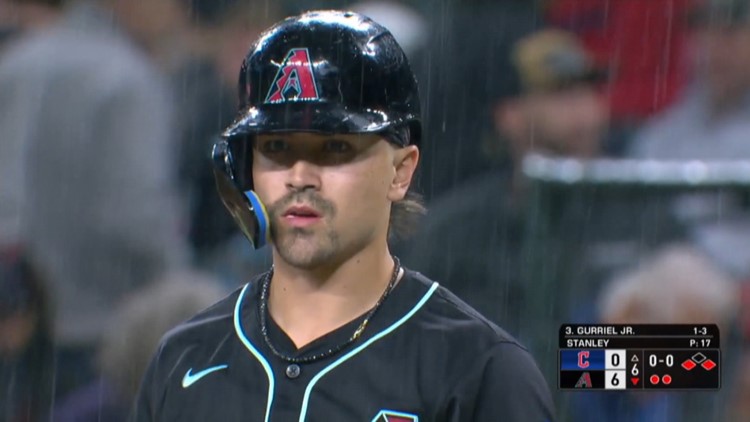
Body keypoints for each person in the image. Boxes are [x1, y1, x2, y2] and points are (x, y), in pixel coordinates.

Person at [132, 10, 555, 421]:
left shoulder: (480, 371)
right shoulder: (185, 357)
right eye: (276, 150)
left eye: (335, 149)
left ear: (400, 171)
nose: (299, 176)